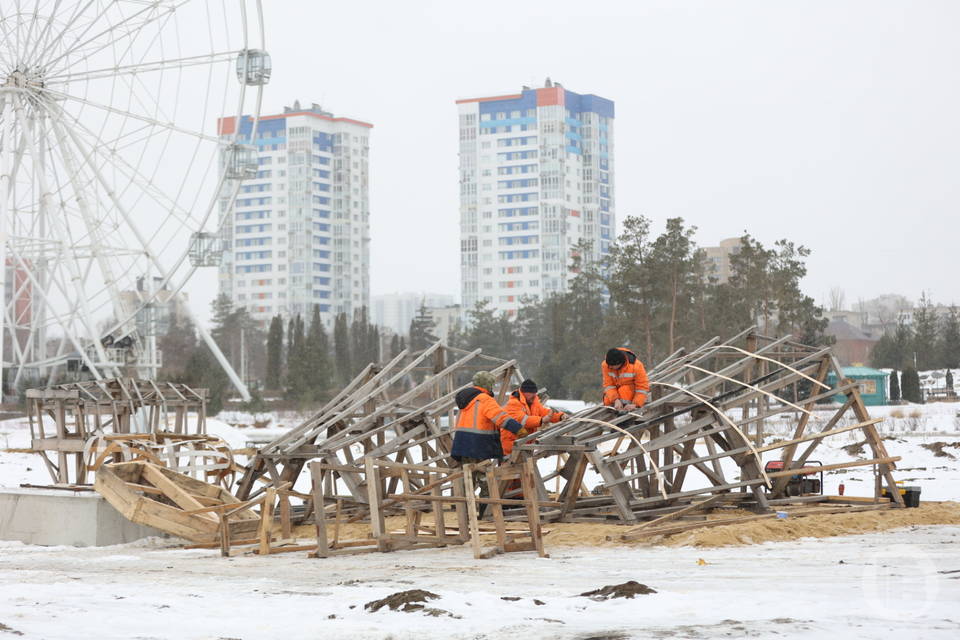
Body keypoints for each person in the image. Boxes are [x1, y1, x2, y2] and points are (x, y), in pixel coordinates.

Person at [451, 371, 523, 463]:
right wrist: (518, 429)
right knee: (481, 475)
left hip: (461, 444)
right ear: (488, 385)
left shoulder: (467, 398)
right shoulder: (484, 399)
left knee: (468, 474)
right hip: (477, 445)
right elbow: (501, 417)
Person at [502, 378, 566, 456]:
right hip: (511, 447)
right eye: (531, 393)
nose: (534, 395)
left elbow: (544, 412)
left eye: (535, 393)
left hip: (524, 446)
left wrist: (560, 416)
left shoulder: (533, 402)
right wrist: (541, 420)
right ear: (524, 393)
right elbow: (523, 420)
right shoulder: (513, 403)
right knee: (510, 468)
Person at [602, 347, 650, 411]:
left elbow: (642, 388)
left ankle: (625, 409)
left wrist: (635, 404)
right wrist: (615, 400)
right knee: (608, 400)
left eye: (612, 366)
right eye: (609, 365)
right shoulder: (606, 365)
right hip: (616, 394)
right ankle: (615, 407)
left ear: (620, 363)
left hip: (630, 394)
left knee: (624, 391)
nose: (610, 367)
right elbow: (608, 385)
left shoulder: (636, 366)